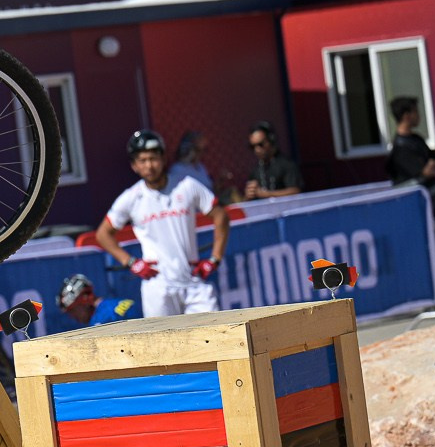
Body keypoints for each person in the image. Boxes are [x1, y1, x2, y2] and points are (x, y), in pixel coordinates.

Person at [94, 129, 231, 317]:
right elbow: (103, 234)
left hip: (192, 278)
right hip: (157, 284)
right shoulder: (131, 197)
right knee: (164, 343)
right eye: (142, 161)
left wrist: (215, 259)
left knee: (215, 333)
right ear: (134, 165)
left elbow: (220, 216)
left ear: (163, 159)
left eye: (153, 158)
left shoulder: (187, 185)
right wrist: (131, 262)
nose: (149, 166)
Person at [384, 96, 435, 312]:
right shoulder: (399, 148)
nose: (419, 116)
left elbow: (433, 163)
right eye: (416, 111)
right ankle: (432, 299)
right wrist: (428, 169)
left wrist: (431, 166)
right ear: (407, 115)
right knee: (428, 255)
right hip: (422, 214)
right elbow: (423, 171)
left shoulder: (416, 139)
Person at [243, 123, 302, 199]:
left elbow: (295, 191)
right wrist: (248, 195)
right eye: (252, 147)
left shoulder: (287, 164)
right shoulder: (255, 170)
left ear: (271, 140)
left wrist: (266, 194)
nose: (257, 150)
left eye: (261, 144)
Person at [57, 273, 137, 328]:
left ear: (85, 300)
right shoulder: (120, 302)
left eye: (72, 310)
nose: (72, 317)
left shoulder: (99, 322)